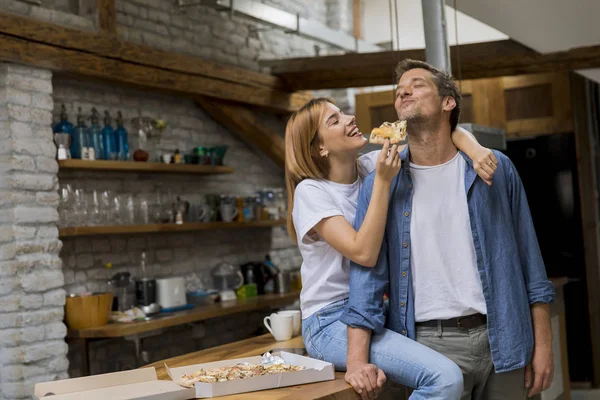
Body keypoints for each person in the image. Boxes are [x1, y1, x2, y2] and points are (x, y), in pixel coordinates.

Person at [341, 59, 555, 400]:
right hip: (426, 347)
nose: (403, 92)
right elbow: (367, 277)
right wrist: (355, 360)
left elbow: (532, 264)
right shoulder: (382, 182)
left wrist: (543, 345)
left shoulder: (495, 169)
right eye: (399, 92)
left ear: (448, 102)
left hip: (504, 337)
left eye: (417, 84)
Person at [285, 97, 498, 399]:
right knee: (445, 378)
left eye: (343, 112)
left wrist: (476, 150)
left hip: (377, 310)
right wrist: (383, 183)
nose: (349, 118)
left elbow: (436, 137)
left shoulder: (369, 166)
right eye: (334, 120)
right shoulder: (312, 191)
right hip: (329, 320)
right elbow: (364, 253)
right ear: (320, 147)